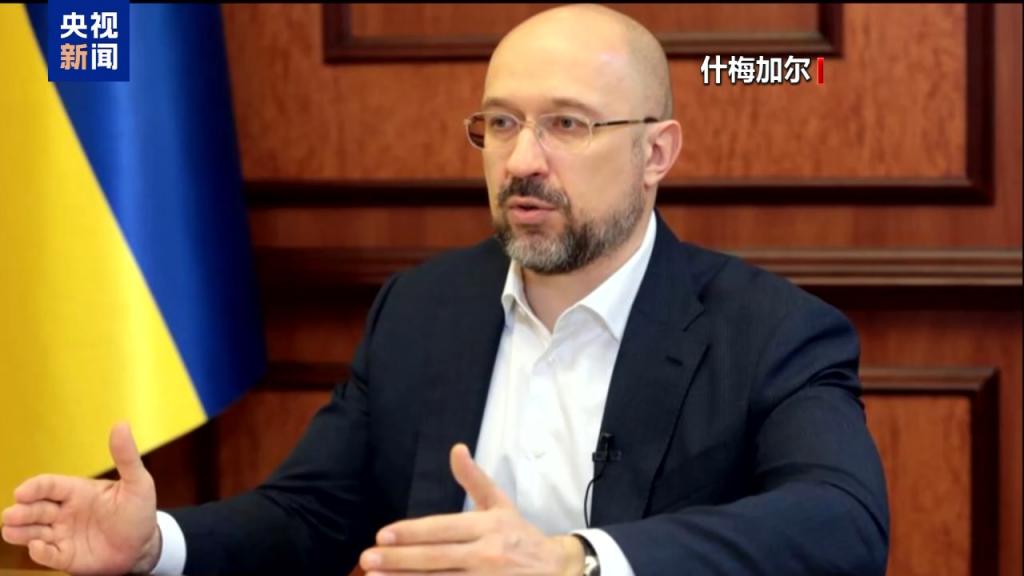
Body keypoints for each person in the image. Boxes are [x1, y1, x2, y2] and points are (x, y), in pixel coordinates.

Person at [1, 4, 889, 575]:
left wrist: (575, 561)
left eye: (567, 124)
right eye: (501, 124)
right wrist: (156, 543)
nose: (524, 159)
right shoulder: (423, 310)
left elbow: (840, 520)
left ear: (655, 152)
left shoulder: (772, 332)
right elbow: (312, 511)